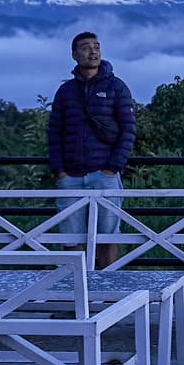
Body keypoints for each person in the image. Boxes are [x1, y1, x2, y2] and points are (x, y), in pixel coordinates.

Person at [47, 31, 137, 269]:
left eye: (96, 46)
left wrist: (112, 167)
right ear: (75, 55)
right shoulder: (66, 92)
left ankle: (104, 295)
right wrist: (59, 171)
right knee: (70, 239)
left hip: (104, 174)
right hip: (71, 176)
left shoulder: (117, 87)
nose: (93, 51)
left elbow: (128, 130)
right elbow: (54, 132)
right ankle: (76, 293)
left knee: (108, 238)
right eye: (86, 47)